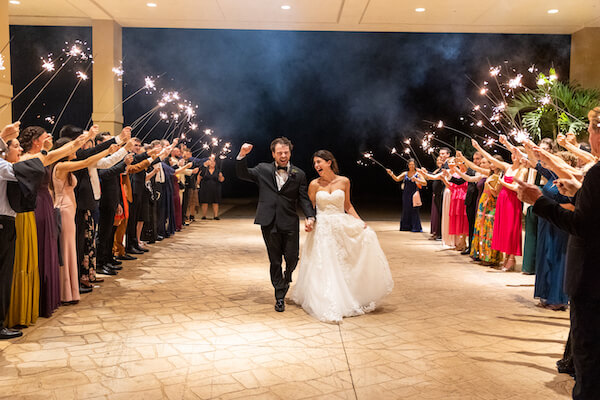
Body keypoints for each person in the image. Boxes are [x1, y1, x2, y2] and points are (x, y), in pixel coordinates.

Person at [515, 107, 600, 400]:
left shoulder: (599, 172)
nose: (589, 136)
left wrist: (538, 201)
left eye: (591, 129)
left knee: (588, 361)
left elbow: (582, 224)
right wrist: (579, 191)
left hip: (592, 280)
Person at [292, 150, 394, 322]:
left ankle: (348, 294)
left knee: (342, 262)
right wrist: (309, 220)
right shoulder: (314, 184)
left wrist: (360, 222)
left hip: (340, 225)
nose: (316, 166)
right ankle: (326, 299)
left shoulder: (344, 181)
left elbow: (347, 205)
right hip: (322, 228)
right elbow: (309, 207)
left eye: (319, 162)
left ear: (329, 162)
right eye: (315, 163)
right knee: (324, 264)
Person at [236, 137, 315, 312]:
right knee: (275, 260)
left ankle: (287, 277)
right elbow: (243, 174)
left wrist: (310, 216)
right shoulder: (262, 169)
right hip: (268, 221)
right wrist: (242, 154)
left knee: (292, 258)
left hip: (289, 221)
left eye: (286, 152)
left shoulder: (299, 173)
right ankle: (279, 296)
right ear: (273, 154)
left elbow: (304, 198)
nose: (283, 155)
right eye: (279, 152)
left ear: (290, 152)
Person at [473, 137, 528, 271]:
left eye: (516, 154)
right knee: (503, 228)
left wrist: (502, 182)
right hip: (502, 201)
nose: (513, 156)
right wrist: (478, 148)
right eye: (513, 154)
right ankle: (505, 257)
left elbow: (516, 187)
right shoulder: (507, 167)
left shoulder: (523, 170)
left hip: (512, 202)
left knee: (511, 229)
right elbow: (492, 159)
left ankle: (511, 258)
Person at [386, 159, 426, 232]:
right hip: (406, 194)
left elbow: (424, 183)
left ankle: (415, 227)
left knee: (414, 210)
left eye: (413, 164)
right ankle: (405, 226)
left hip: (414, 194)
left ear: (415, 165)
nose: (411, 166)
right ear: (408, 165)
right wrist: (391, 173)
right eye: (410, 164)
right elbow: (397, 179)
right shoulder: (405, 173)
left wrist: (417, 179)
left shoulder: (418, 173)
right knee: (406, 209)